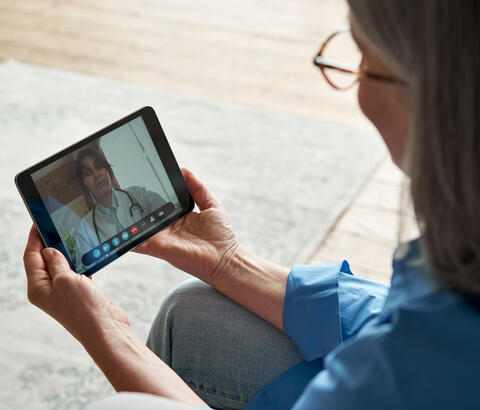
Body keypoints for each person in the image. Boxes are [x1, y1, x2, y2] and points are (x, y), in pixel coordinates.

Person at [23, 1, 480, 409]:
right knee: (188, 311)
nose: (357, 89)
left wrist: (106, 331)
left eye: (363, 62)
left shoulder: (434, 358)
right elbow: (387, 314)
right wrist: (228, 263)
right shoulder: (455, 263)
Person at [74, 147, 167, 269]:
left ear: (108, 170)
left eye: (98, 166)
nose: (96, 175)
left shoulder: (139, 195)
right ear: (84, 185)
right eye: (87, 173)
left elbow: (171, 217)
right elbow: (84, 270)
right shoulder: (85, 229)